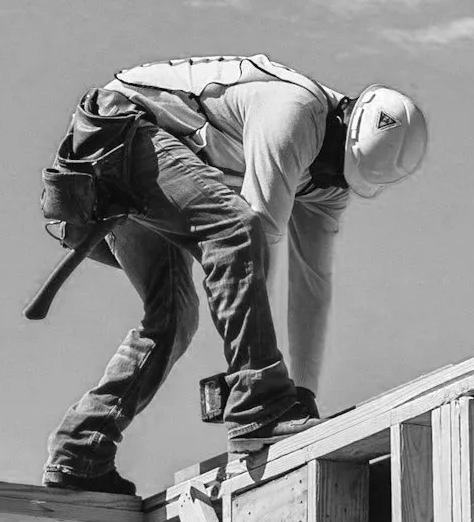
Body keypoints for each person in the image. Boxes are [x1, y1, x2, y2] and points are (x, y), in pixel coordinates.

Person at [40, 54, 428, 493]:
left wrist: (304, 394)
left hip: (148, 159)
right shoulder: (295, 111)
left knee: (173, 319)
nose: (326, 181)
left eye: (342, 178)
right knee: (235, 228)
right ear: (344, 121)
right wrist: (266, 390)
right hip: (118, 134)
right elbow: (252, 235)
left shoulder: (328, 181)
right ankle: (258, 401)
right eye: (334, 169)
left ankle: (80, 450)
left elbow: (311, 286)